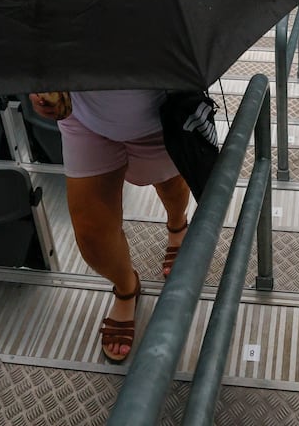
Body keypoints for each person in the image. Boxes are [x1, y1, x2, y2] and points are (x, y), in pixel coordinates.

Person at [29, 89, 191, 364]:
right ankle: (126, 287)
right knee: (91, 235)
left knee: (171, 186)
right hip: (82, 115)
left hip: (160, 108)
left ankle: (177, 227)